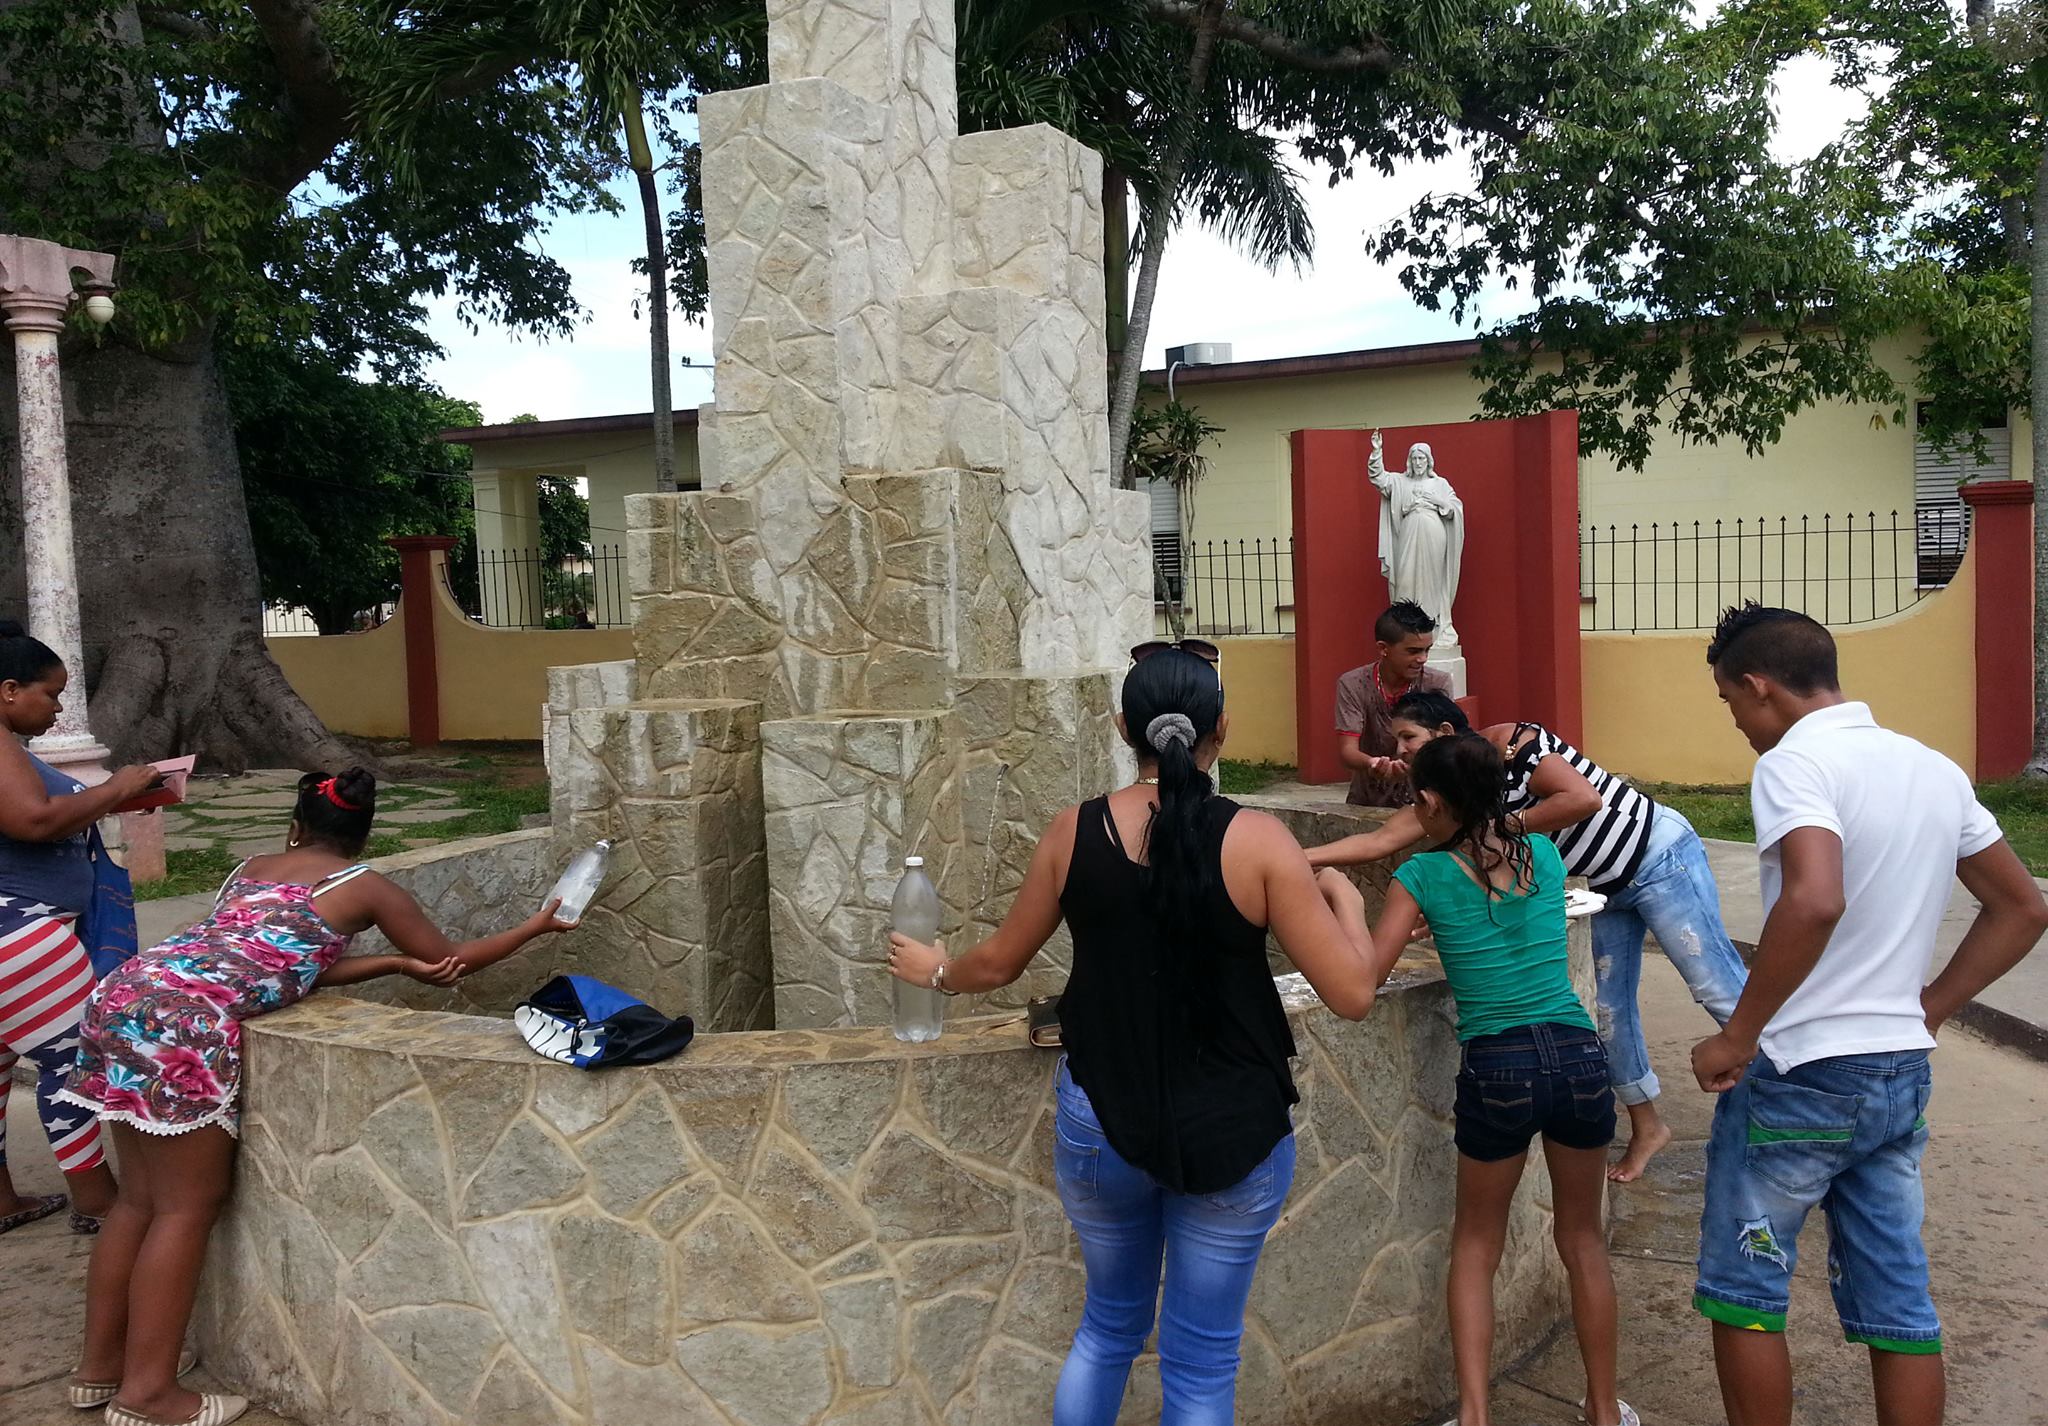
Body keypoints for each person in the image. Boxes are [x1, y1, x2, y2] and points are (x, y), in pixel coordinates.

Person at [886, 643, 1384, 1425]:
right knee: (1201, 1362)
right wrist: (1347, 906)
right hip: (1235, 1126)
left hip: (1101, 1121)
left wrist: (937, 973)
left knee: (1108, 1328)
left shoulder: (1071, 832)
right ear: (1222, 728)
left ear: (1124, 727)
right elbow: (1353, 993)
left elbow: (999, 963)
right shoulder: (1259, 843)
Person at [59, 767, 574, 1426]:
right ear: (362, 835)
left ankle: (99, 1371)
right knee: (187, 1207)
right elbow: (453, 963)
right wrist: (537, 926)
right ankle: (149, 1395)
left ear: (296, 826)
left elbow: (276, 957)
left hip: (127, 994)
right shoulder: (366, 887)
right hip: (184, 1022)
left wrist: (388, 964)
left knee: (137, 1199)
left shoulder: (250, 867)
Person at [1690, 605, 2048, 1426]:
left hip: (1801, 1076)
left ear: (1761, 687)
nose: (1740, 723)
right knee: (1899, 1303)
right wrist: (1927, 1012)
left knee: (1746, 1293)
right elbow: (2022, 907)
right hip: (1897, 1074)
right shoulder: (1931, 768)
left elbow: (1815, 899)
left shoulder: (1796, 763)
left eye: (1731, 702)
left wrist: (1736, 1034)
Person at [1307, 689, 1749, 1181]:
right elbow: (1377, 841)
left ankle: (1779, 1105)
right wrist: (1293, 861)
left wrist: (1493, 826)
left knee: (1717, 988)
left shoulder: (1517, 745)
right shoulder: (1444, 790)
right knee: (1608, 1013)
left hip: (1654, 856)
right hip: (1603, 885)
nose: (1401, 749)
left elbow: (1583, 798)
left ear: (1446, 734)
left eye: (1409, 737)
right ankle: (1647, 1124)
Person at [1370, 734, 1634, 1426]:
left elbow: (1365, 977)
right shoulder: (1543, 855)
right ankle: (1605, 1410)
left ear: (1430, 802)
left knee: (1476, 1245)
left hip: (1499, 1065)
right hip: (1578, 1057)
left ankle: (1477, 1415)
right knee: (1582, 1242)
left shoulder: (1420, 877)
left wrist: (1340, 897)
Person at [0, 621, 162, 1237]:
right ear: (10, 689)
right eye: (53, 694)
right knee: (72, 1064)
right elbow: (33, 821)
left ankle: (3, 1200)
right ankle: (98, 1201)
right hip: (20, 936)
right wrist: (116, 784)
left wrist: (117, 799)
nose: (59, 708)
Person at [1334, 600, 1453, 808]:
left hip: (1424, 802)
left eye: (1427, 650)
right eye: (1413, 651)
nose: (1423, 659)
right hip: (1367, 801)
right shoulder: (1353, 684)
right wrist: (1373, 764)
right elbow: (1347, 752)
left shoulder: (1437, 682)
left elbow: (1446, 746)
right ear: (1383, 648)